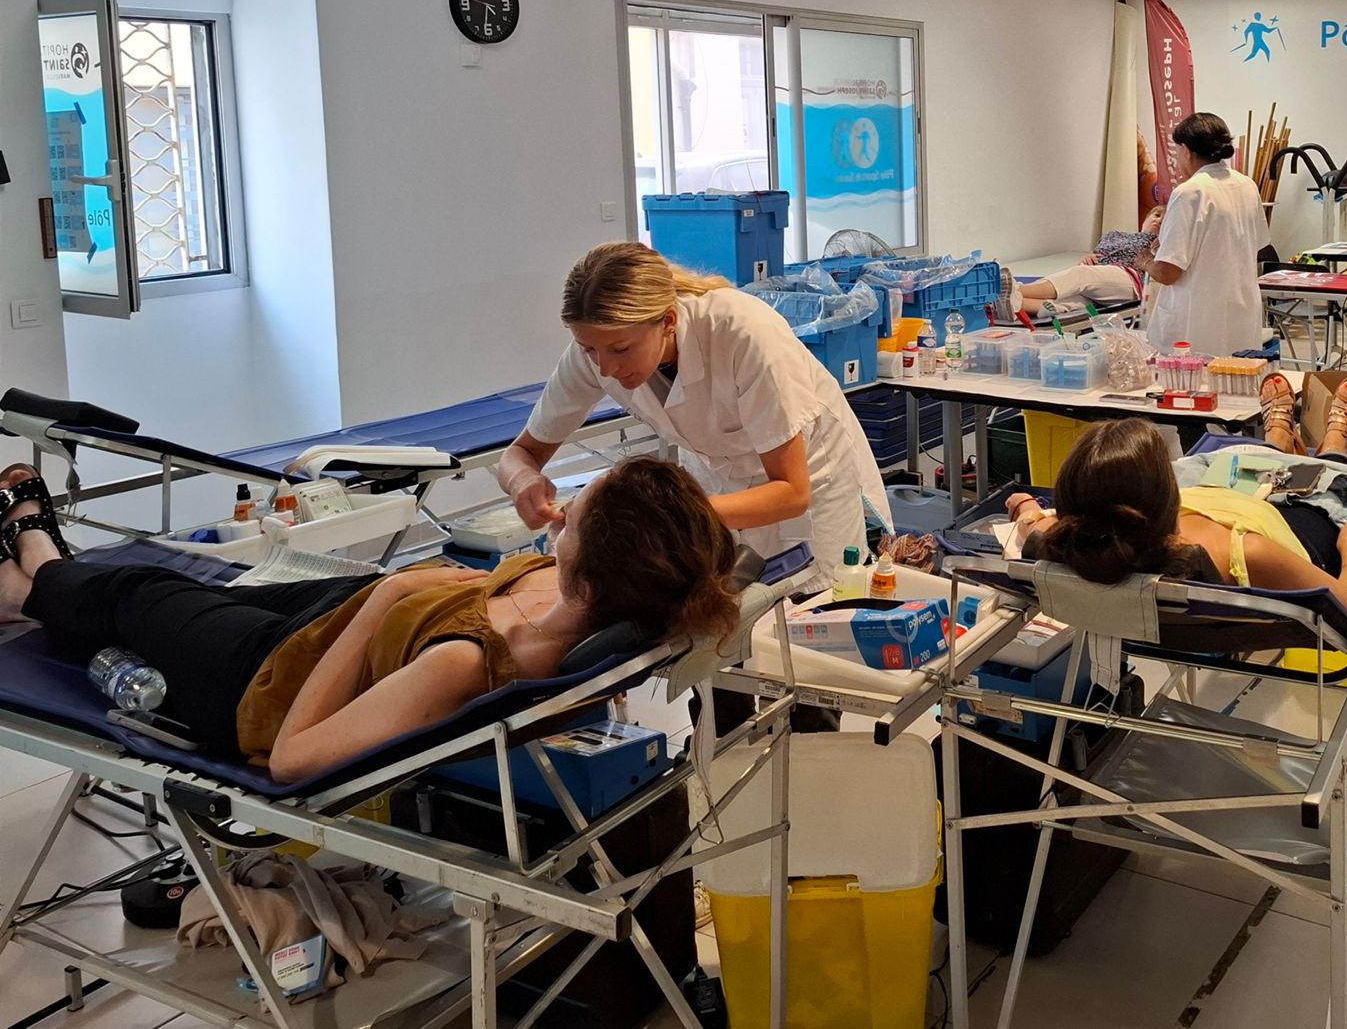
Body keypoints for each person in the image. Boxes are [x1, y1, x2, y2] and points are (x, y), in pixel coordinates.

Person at [0, 458, 737, 783]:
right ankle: (36, 572)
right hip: (335, 613)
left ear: (593, 576)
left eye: (577, 514)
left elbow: (293, 760)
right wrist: (381, 599)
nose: (563, 510)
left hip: (263, 680)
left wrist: (385, 600)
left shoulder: (464, 663)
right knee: (166, 587)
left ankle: (27, 559)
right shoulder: (602, 592)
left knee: (134, 594)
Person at [499, 243, 890, 599]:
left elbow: (792, 492)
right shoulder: (599, 351)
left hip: (809, 496)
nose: (605, 368)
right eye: (588, 349)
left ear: (668, 321)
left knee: (810, 616)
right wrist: (523, 481)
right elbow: (519, 454)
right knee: (726, 620)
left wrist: (667, 517)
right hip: (713, 489)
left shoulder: (744, 334)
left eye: (621, 349)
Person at [1006, 394, 1347, 629]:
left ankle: (1276, 439)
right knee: (1322, 489)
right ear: (1168, 500)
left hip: (1212, 502)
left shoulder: (1059, 546)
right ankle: (1334, 446)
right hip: (1270, 521)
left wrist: (1026, 506)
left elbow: (1030, 525)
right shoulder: (1250, 553)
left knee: (1221, 468)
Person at [1144, 112, 1272, 357]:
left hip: (1197, 321)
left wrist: (1145, 261)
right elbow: (1251, 244)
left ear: (1186, 151)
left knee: (1194, 379)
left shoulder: (1189, 192)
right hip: (1240, 312)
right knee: (1236, 376)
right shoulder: (1247, 185)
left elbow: (1168, 273)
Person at [999, 207, 1163, 316]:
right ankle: (1004, 304)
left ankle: (1014, 290)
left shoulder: (1160, 243)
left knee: (1082, 275)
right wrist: (1089, 257)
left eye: (1165, 219)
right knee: (1069, 303)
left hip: (1131, 279)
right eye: (1157, 215)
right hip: (1100, 278)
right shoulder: (1114, 234)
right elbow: (1098, 253)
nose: (1159, 220)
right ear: (1144, 219)